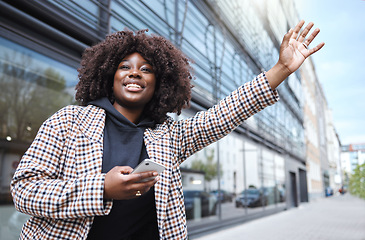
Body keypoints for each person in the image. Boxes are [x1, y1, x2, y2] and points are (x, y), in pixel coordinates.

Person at [10, 20, 324, 239]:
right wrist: (102, 189)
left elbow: (224, 114)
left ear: (159, 84)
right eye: (125, 67)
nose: (135, 74)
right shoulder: (69, 121)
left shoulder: (169, 134)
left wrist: (281, 69)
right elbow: (24, 191)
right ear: (109, 75)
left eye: (146, 70)